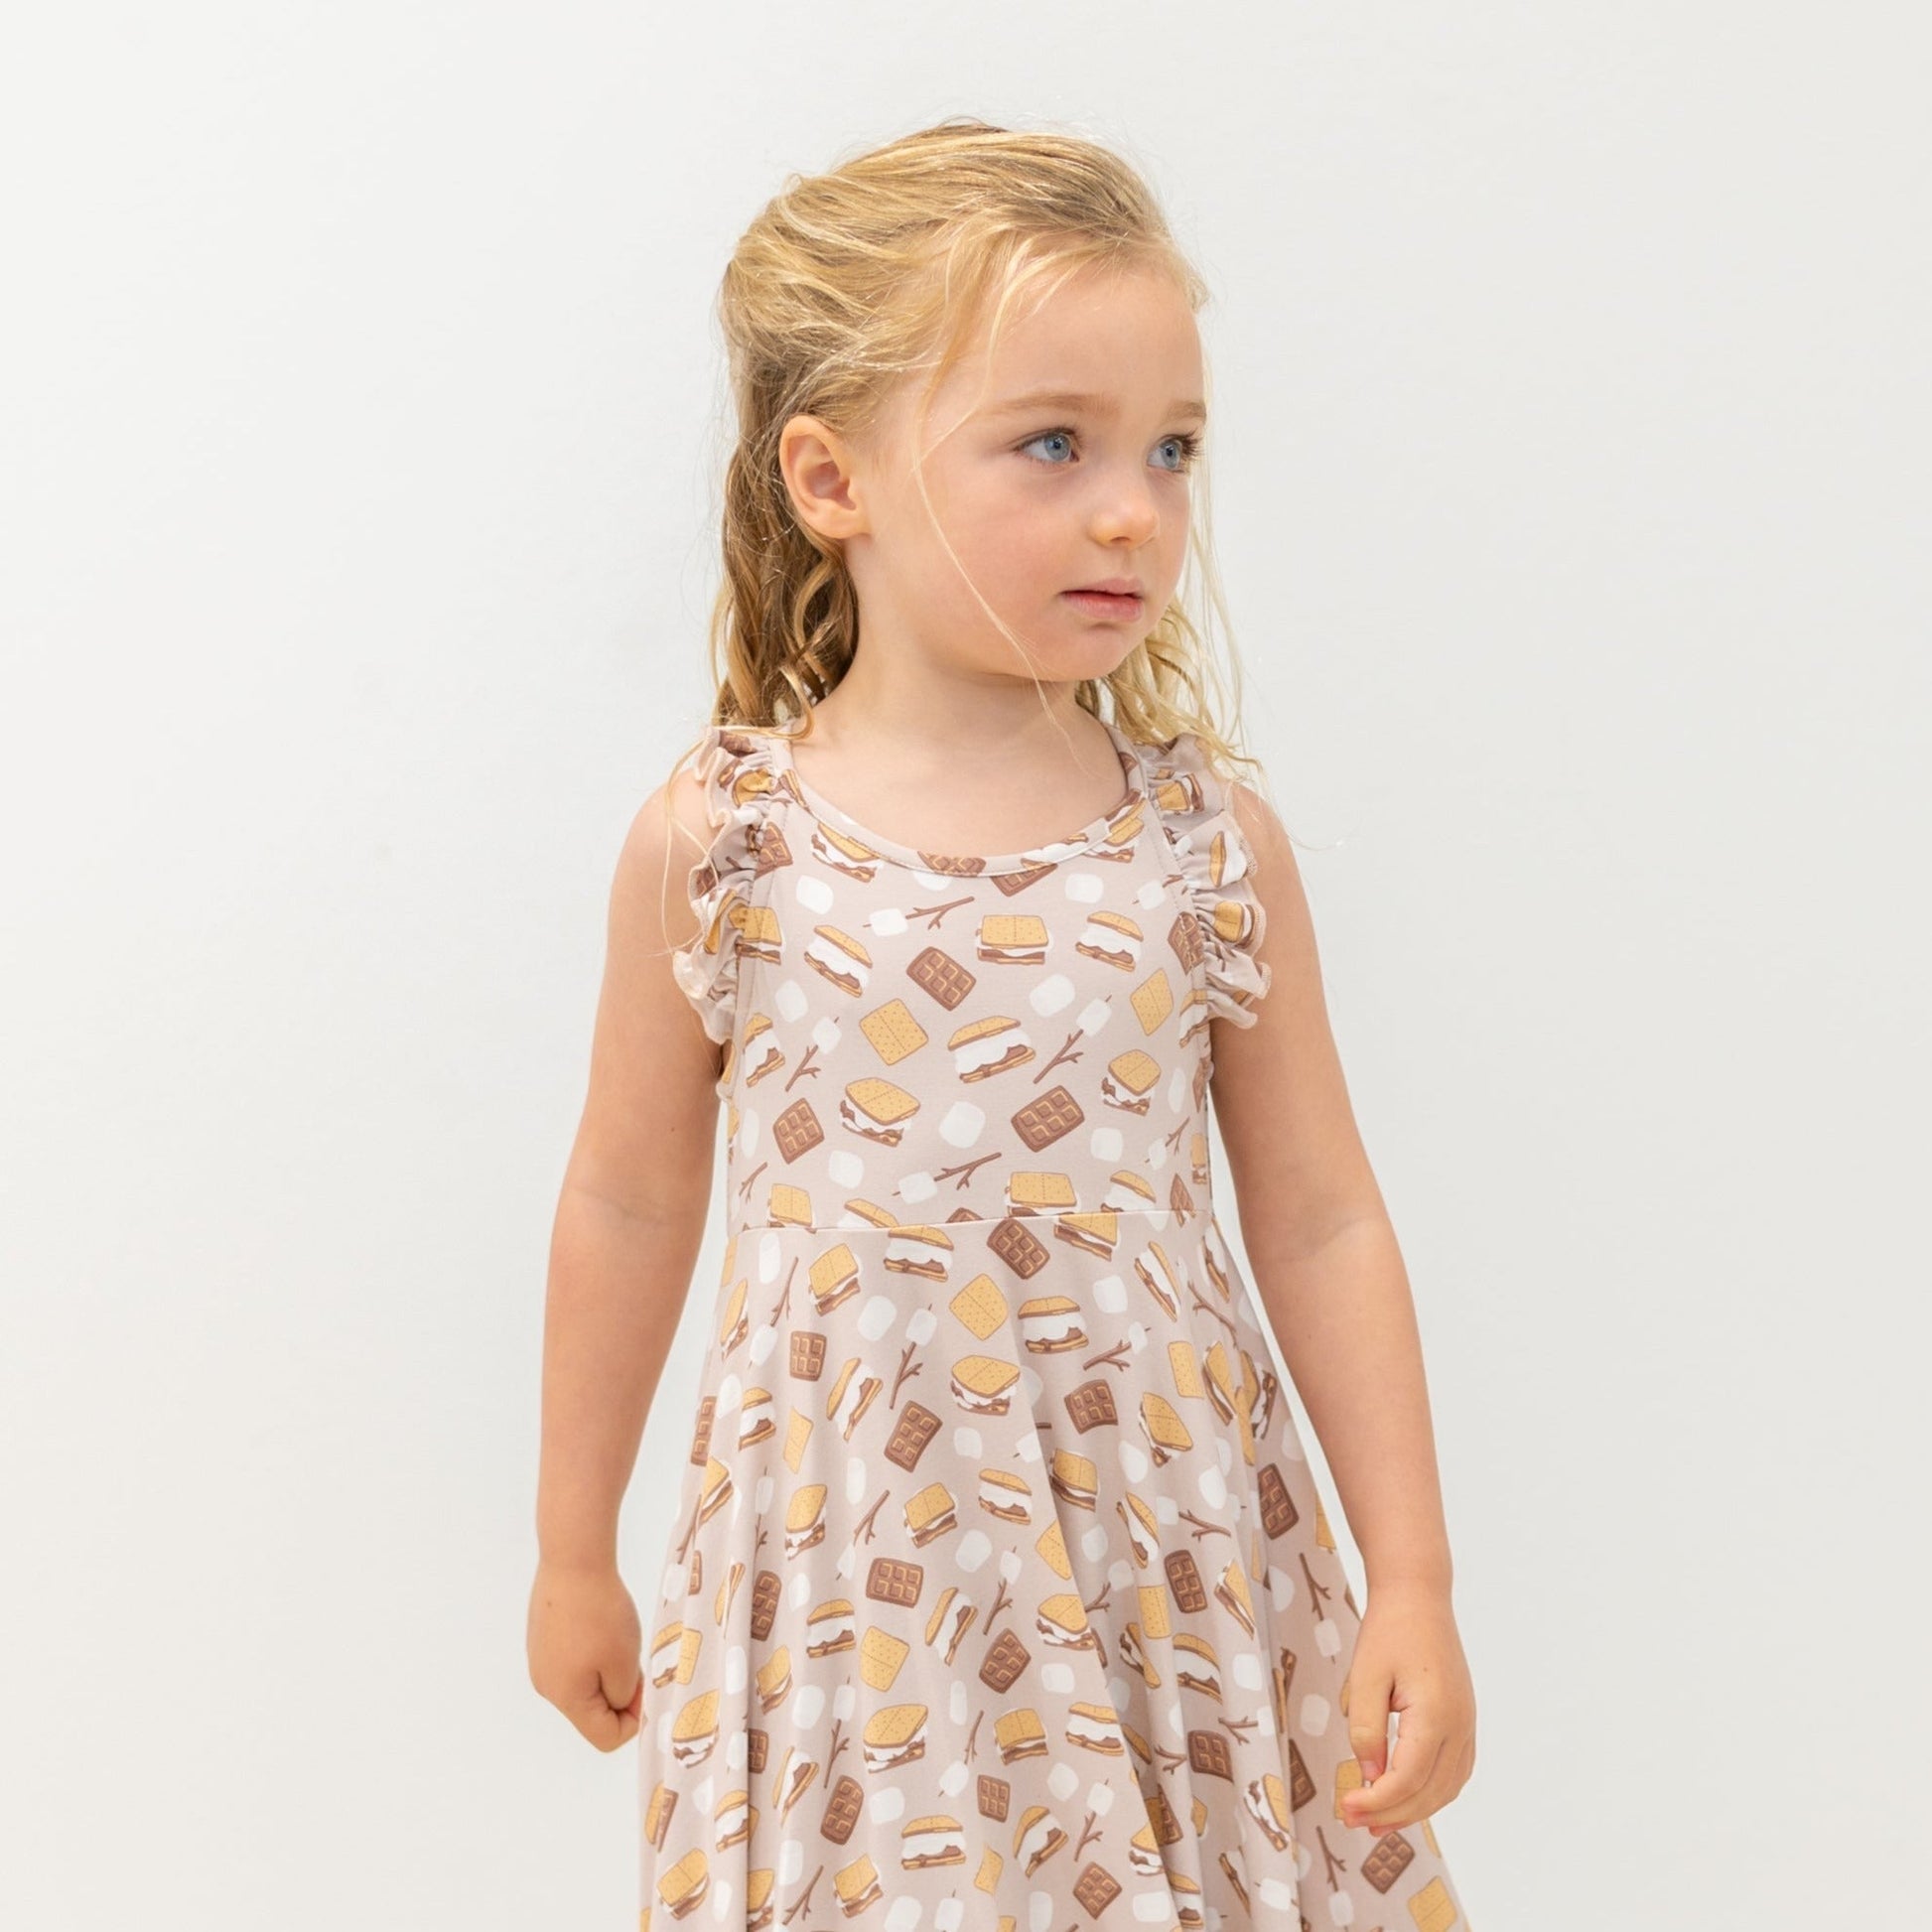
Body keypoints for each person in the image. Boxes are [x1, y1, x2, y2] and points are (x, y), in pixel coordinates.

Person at [528, 116, 1477, 1930]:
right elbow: (629, 1197)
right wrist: (573, 1543)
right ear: (832, 478)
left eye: (1171, 449)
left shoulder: (1201, 845)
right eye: (1054, 443)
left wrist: (1411, 1576)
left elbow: (1320, 1215)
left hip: (1159, 1553)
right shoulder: (725, 845)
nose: (1135, 510)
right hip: (857, 1573)